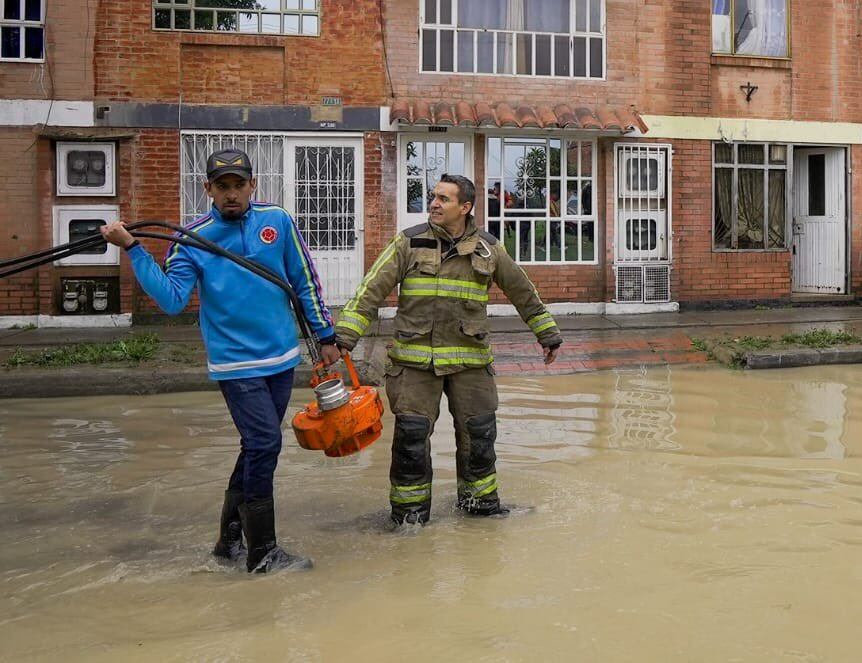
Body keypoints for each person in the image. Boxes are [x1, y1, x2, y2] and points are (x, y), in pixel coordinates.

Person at [100, 148, 340, 574]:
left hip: (281, 357)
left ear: (253, 185)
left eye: (239, 185)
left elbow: (304, 280)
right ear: (208, 189)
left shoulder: (278, 221)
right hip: (235, 363)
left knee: (255, 445)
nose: (232, 194)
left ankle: (228, 542)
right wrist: (133, 248)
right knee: (265, 443)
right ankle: (263, 553)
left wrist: (325, 336)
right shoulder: (193, 239)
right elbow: (172, 300)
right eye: (222, 186)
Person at [335, 174, 562, 526]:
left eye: (444, 198)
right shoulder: (408, 243)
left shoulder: (489, 249)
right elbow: (370, 291)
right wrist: (345, 336)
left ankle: (480, 510)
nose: (434, 204)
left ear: (465, 207)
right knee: (411, 439)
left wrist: (547, 333)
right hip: (414, 364)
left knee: (479, 437)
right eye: (434, 197)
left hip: (471, 364)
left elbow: (523, 292)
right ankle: (408, 519)